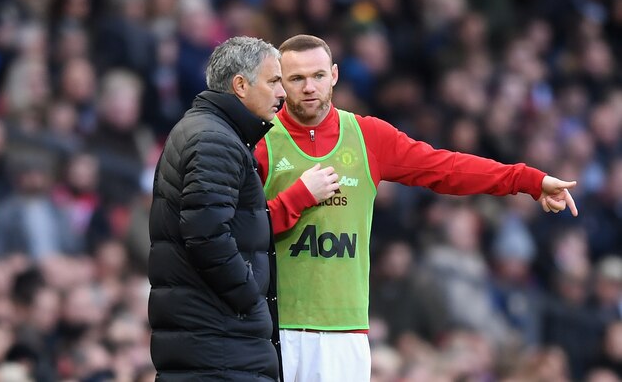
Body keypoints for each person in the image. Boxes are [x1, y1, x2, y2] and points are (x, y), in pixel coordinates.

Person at [254, 34, 578, 382]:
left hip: (345, 330)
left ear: (333, 75)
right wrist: (299, 195)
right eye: (297, 78)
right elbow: (241, 229)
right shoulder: (259, 140)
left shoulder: (367, 136)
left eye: (317, 75)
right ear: (280, 82)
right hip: (277, 326)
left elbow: (446, 168)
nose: (309, 87)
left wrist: (527, 180)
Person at [148, 36, 286, 381]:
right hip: (219, 342)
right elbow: (206, 232)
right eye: (273, 81)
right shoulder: (214, 139)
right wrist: (248, 296)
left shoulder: (209, 130)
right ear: (240, 85)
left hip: (209, 339)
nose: (282, 93)